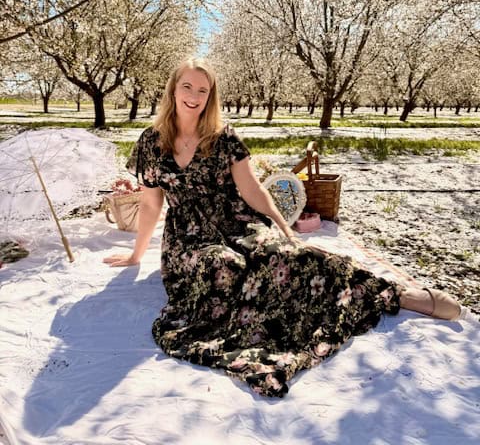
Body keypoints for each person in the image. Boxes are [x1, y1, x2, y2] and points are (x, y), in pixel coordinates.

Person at [104, 57, 462, 397]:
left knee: (288, 256)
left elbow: (252, 190)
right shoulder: (151, 142)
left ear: (211, 96)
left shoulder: (223, 137)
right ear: (172, 90)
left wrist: (282, 227)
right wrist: (137, 255)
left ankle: (396, 295)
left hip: (237, 221)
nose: (194, 97)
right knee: (222, 268)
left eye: (203, 90)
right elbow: (152, 204)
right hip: (190, 236)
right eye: (187, 87)